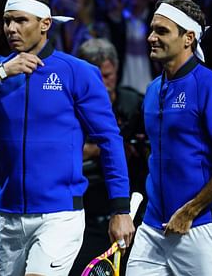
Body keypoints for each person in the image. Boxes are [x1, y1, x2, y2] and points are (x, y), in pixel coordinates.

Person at [0, 0, 135, 276]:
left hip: (59, 214)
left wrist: (120, 209)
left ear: (45, 24)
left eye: (21, 20)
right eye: (7, 20)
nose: (11, 28)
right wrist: (1, 74)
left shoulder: (77, 72)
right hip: (6, 214)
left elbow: (109, 141)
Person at [126, 0, 212, 276]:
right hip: (153, 227)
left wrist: (191, 210)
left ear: (188, 38)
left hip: (204, 227)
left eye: (161, 31)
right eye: (151, 29)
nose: (151, 37)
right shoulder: (153, 89)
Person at [71, 38, 146, 275]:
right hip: (86, 211)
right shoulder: (70, 105)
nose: (106, 83)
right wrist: (103, 150)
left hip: (130, 207)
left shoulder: (134, 103)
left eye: (110, 75)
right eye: (100, 77)